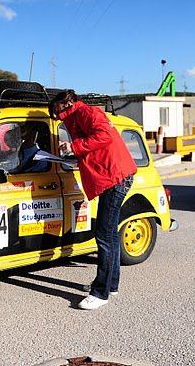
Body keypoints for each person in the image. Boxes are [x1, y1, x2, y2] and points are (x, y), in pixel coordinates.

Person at [50, 89, 137, 310]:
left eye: (56, 106)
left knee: (104, 236)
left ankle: (100, 293)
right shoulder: (74, 117)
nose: (54, 110)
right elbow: (96, 148)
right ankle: (112, 284)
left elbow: (105, 136)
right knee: (111, 235)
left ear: (67, 103)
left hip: (115, 177)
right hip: (112, 176)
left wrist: (74, 147)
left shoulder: (88, 113)